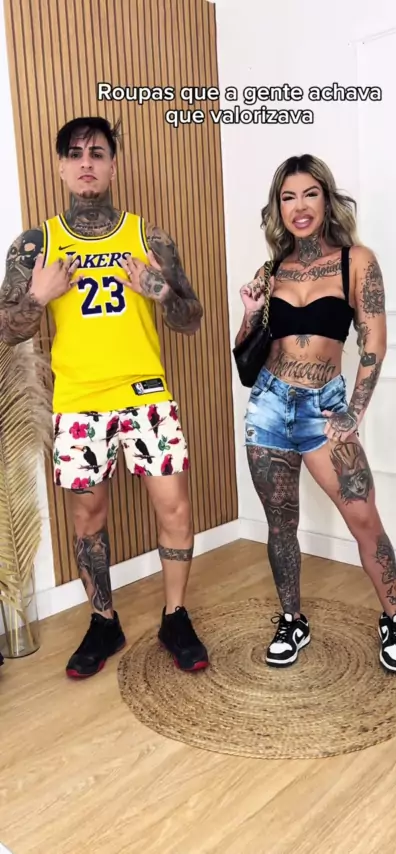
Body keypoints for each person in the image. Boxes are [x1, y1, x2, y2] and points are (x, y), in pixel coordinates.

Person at [0, 116, 209, 678]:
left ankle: (175, 616)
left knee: (175, 507)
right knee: (88, 518)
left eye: (97, 152)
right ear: (61, 167)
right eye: (75, 154)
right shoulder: (36, 245)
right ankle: (103, 620)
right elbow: (5, 330)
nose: (86, 162)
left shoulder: (149, 238)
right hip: (78, 401)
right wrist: (38, 297)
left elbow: (192, 319)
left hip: (145, 394)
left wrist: (160, 290)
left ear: (113, 165)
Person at [235, 154, 396, 674]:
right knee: (280, 524)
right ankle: (292, 620)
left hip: (324, 407)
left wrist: (353, 412)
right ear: (278, 208)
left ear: (327, 199)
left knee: (363, 517)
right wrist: (250, 314)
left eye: (309, 194)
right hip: (269, 406)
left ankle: (395, 618)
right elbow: (245, 356)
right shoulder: (272, 270)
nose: (299, 206)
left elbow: (373, 342)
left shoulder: (355, 261)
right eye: (288, 197)